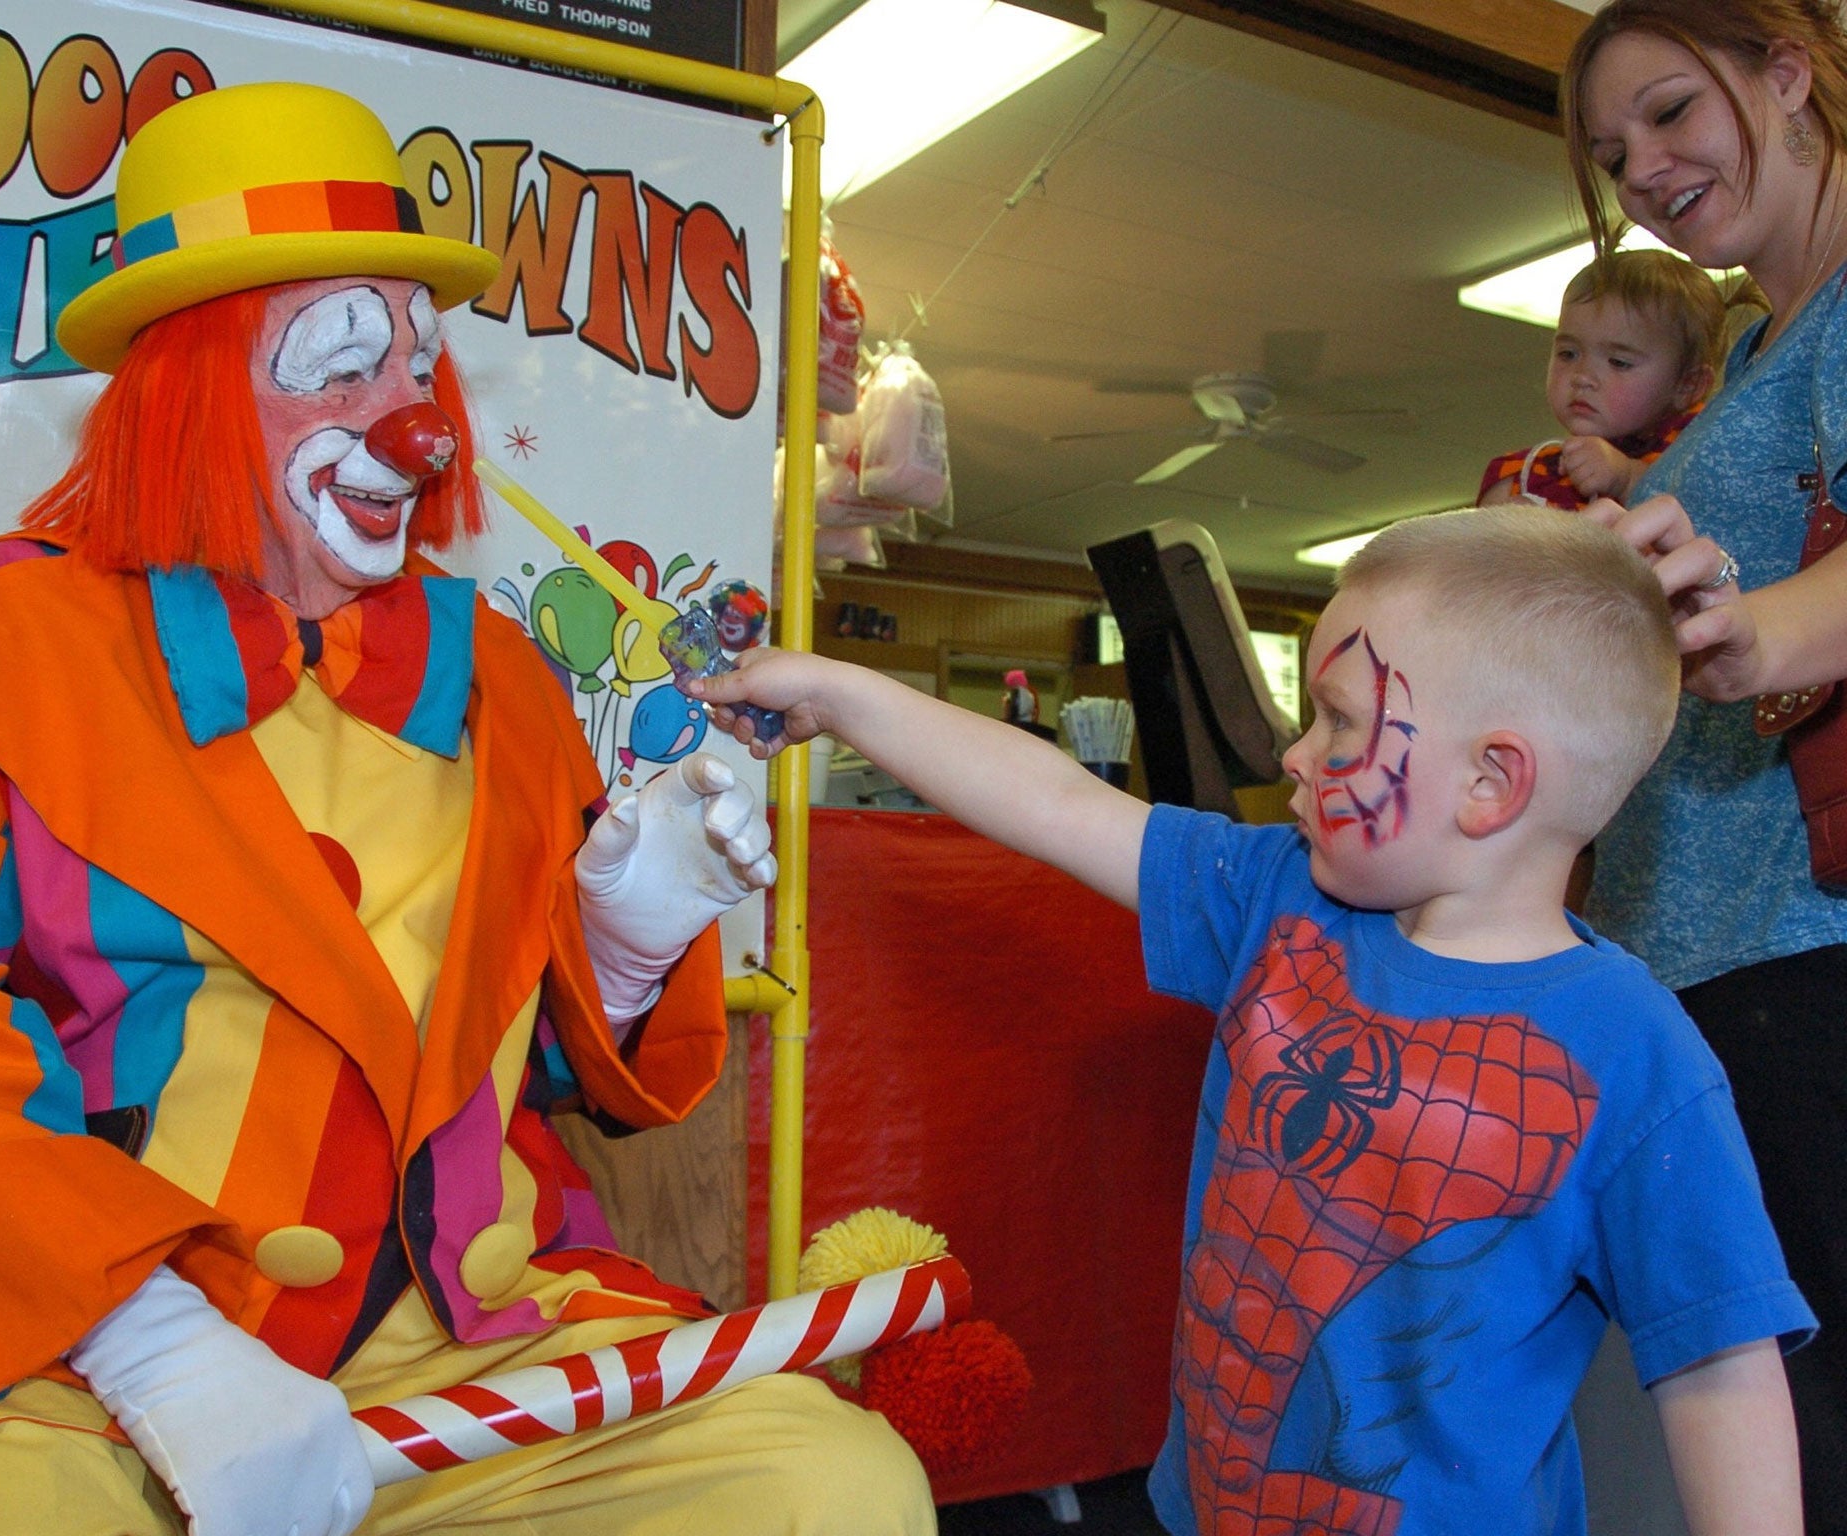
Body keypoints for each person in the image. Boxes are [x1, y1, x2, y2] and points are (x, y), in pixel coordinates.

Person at [0, 82, 934, 1536]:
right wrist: (150, 1346)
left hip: (463, 1344)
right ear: (194, 391)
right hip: (88, 1355)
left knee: (829, 1491)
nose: (414, 430)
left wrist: (628, 944)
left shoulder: (500, 678)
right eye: (341, 368)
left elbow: (555, 1085)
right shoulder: (0, 637)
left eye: (417, 372)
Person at [688, 505, 1815, 1536]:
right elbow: (1057, 802)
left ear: (1489, 784)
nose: (1293, 755)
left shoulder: (1635, 1055)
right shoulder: (1281, 902)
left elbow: (1718, 1368)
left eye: (1337, 722)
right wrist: (841, 694)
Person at [1563, 5, 1847, 1526]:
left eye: (1675, 113)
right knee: (1762, 1415)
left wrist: (1753, 629)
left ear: (1788, 70)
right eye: (1617, 153)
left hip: (1803, 942)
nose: (1647, 169)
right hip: (1702, 949)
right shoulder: (1750, 342)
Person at [1477, 249, 1724, 510]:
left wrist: (1628, 478)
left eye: (1618, 362)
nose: (1582, 377)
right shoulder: (1526, 475)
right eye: (1568, 354)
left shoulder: (1704, 453)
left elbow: (1714, 522)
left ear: (1688, 384)